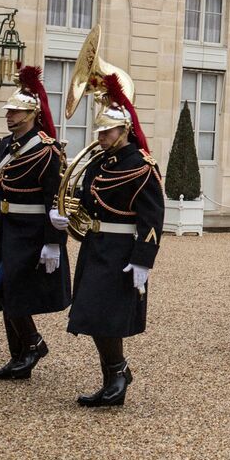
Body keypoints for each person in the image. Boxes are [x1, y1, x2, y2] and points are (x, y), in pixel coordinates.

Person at [60, 72, 162, 406]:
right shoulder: (98, 163)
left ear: (125, 131)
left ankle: (117, 375)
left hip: (120, 250)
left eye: (108, 131)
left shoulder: (141, 166)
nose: (101, 136)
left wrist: (143, 259)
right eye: (100, 131)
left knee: (105, 315)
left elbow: (152, 218)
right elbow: (86, 200)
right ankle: (114, 376)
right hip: (94, 245)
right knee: (90, 314)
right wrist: (63, 214)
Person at [0, 66, 71, 381]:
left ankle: (32, 344)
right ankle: (19, 355)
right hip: (7, 227)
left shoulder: (47, 150)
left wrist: (52, 242)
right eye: (9, 110)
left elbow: (54, 203)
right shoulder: (5, 145)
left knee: (7, 289)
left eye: (16, 111)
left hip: (32, 232)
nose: (10, 115)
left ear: (31, 113)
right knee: (3, 291)